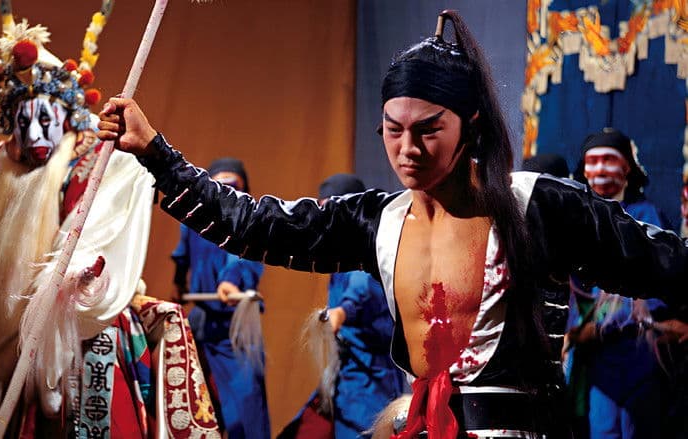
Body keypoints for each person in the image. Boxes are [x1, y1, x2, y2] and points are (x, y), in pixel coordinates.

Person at [98, 10, 688, 439]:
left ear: (471, 124)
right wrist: (155, 152)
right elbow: (257, 225)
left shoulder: (538, 206)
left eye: (428, 130)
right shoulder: (378, 219)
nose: (407, 149)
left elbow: (666, 262)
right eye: (392, 129)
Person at [0, 5, 219, 437]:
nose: (33, 135)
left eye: (44, 121)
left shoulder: (105, 154)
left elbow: (107, 229)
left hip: (87, 313)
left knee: (96, 354)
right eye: (21, 123)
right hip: (18, 326)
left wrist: (74, 276)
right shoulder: (8, 165)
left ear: (67, 115)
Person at [564, 128, 674, 439]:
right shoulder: (579, 218)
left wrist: (609, 321)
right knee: (603, 428)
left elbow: (660, 278)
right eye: (593, 161)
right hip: (598, 360)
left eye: (608, 160)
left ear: (627, 167)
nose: (600, 170)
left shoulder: (647, 215)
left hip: (638, 350)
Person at [278, 174, 406, 439]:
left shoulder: (369, 247)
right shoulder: (336, 254)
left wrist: (342, 311)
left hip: (370, 375)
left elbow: (362, 290)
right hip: (347, 372)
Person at [171, 157, 271, 439]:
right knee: (194, 400)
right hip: (201, 321)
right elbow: (181, 256)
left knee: (245, 407)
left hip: (235, 325)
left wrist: (230, 281)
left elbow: (242, 254)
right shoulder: (194, 218)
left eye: (234, 188)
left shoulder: (250, 220)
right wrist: (178, 285)